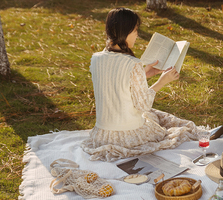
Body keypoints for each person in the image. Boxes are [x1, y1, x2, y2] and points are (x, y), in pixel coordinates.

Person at [81, 7, 211, 162]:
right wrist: (161, 81)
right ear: (126, 31)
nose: (137, 35)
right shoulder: (132, 63)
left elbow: (116, 84)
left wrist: (145, 74)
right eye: (135, 30)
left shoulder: (96, 58)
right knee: (155, 119)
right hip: (127, 136)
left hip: (102, 134)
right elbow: (142, 106)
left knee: (152, 117)